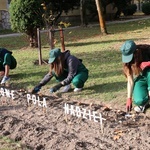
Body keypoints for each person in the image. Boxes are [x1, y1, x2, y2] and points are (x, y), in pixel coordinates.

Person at [120, 40, 150, 113]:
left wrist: (149, 63)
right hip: (142, 77)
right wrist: (129, 98)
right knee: (139, 100)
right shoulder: (127, 62)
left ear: (136, 52)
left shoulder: (146, 49)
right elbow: (130, 81)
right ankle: (144, 103)